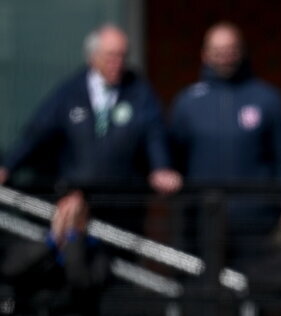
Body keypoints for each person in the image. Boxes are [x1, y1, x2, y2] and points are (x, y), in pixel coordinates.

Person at [168, 21, 281, 271]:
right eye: (218, 51)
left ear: (242, 51)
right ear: (205, 54)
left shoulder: (268, 100)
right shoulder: (187, 103)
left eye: (231, 49)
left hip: (257, 221)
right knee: (202, 293)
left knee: (256, 291)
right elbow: (172, 160)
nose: (225, 57)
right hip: (201, 220)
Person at [0, 24, 180, 202]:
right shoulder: (70, 92)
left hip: (123, 203)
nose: (118, 63)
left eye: (122, 56)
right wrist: (7, 166)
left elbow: (154, 133)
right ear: (93, 57)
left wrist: (161, 167)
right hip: (78, 201)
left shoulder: (139, 92)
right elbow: (37, 131)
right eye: (111, 56)